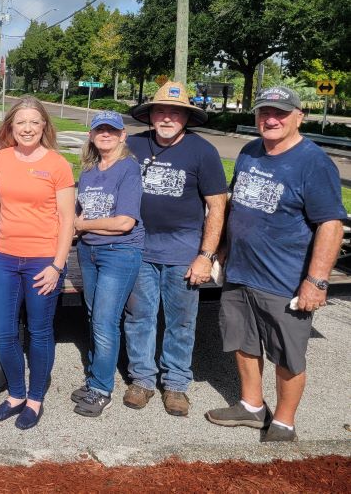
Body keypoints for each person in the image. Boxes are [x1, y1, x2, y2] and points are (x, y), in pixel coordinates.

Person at [205, 86, 345, 442]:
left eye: (280, 113)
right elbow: (237, 203)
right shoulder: (250, 151)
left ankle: (283, 422)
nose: (271, 119)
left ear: (299, 116)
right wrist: (221, 248)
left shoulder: (313, 163)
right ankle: (252, 406)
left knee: (287, 354)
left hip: (285, 280)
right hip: (241, 272)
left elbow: (330, 224)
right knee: (243, 342)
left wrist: (316, 281)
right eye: (264, 112)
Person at [0, 97, 75, 430]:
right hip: (6, 257)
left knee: (39, 332)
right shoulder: (0, 159)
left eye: (35, 122)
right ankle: (16, 395)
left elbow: (68, 220)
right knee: (3, 332)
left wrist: (56, 265)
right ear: (10, 126)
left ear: (44, 126)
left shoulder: (58, 165)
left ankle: (35, 400)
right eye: (21, 122)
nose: (27, 128)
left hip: (42, 260)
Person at [122, 82, 228, 416]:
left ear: (186, 117)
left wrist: (206, 255)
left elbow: (217, 207)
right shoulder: (133, 144)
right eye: (161, 111)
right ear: (151, 114)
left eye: (175, 112)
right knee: (139, 317)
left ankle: (177, 385)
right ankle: (142, 380)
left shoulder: (203, 151)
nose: (167, 118)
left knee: (181, 321)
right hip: (138, 248)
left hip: (184, 252)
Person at [71, 110, 144, 418]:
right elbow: (77, 216)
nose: (105, 134)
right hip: (89, 253)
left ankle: (101, 389)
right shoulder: (89, 171)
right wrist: (83, 226)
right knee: (93, 315)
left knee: (104, 320)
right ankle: (94, 378)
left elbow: (125, 223)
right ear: (91, 135)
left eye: (111, 131)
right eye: (99, 130)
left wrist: (85, 226)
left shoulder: (128, 168)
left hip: (119, 252)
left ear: (122, 136)